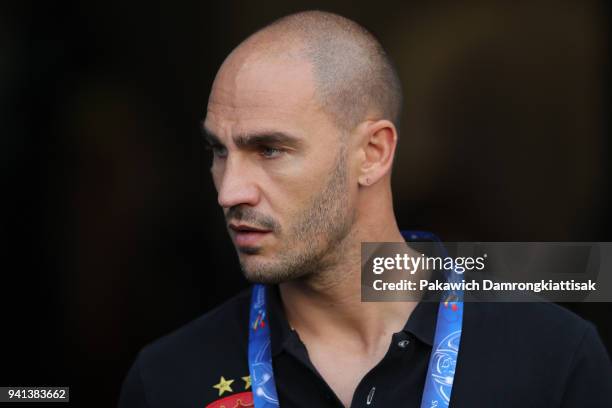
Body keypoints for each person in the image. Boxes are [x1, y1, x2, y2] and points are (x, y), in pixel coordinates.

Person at [118, 10, 611, 408]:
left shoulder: (554, 359)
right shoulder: (166, 380)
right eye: (218, 152)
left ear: (372, 153)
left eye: (269, 149)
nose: (229, 191)